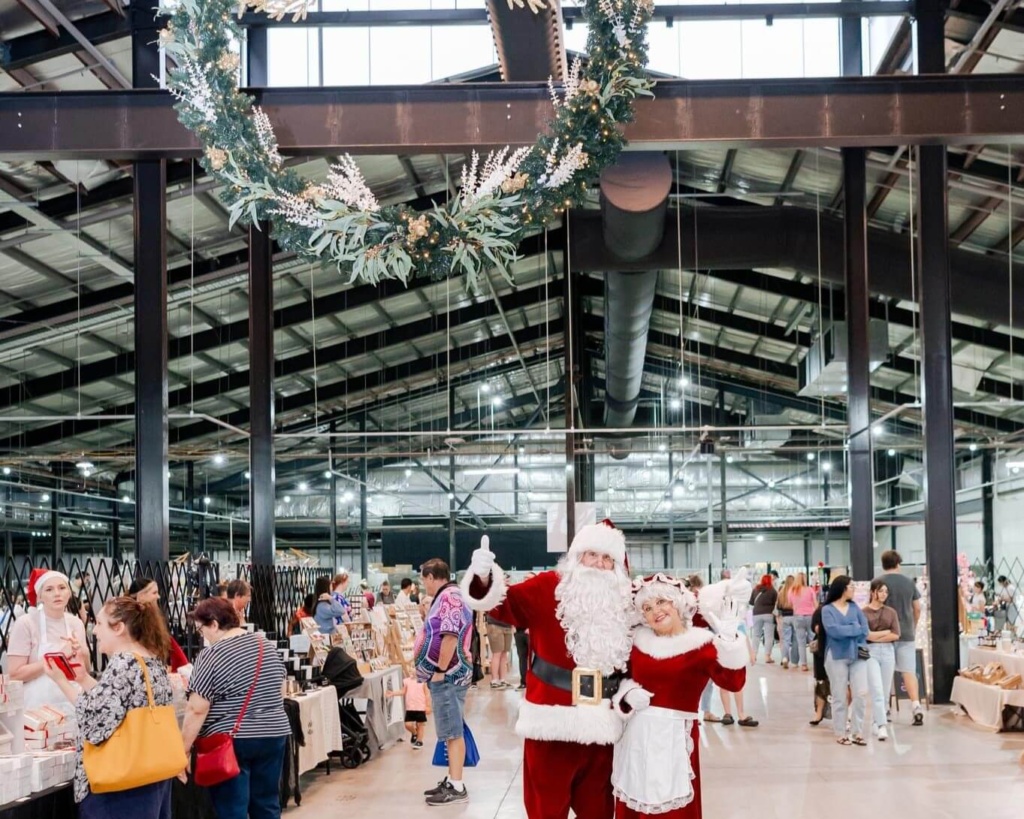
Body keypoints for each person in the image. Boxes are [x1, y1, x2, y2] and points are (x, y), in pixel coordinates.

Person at [458, 521, 638, 819]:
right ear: (576, 556)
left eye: (608, 558)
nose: (600, 564)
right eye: (592, 554)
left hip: (604, 729)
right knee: (546, 810)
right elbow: (504, 605)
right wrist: (483, 576)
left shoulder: (623, 600)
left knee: (600, 810)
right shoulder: (547, 587)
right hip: (550, 725)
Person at [611, 574, 748, 818]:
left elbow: (733, 682)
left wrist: (729, 641)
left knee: (673, 808)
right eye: (648, 607)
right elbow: (618, 680)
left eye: (662, 602)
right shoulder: (637, 642)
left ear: (677, 602)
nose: (656, 611)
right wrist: (627, 693)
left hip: (674, 740)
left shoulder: (701, 644)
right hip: (635, 737)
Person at [44, 596, 181, 817]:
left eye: (99, 624)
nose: (95, 632)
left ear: (118, 628)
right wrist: (82, 679)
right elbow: (117, 702)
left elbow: (95, 721)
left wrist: (61, 681)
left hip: (120, 785)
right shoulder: (150, 659)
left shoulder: (124, 662)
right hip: (150, 775)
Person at [182, 597, 291, 819]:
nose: (202, 635)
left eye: (201, 629)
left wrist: (183, 749)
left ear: (213, 624)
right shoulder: (265, 646)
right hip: (274, 733)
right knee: (267, 803)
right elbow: (280, 689)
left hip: (232, 740)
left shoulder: (212, 655)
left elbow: (197, 709)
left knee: (232, 808)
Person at [415, 559, 473, 806]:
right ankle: (452, 778)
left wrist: (439, 669)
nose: (422, 584)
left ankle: (457, 786)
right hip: (449, 673)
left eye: (422, 579)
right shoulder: (450, 595)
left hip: (449, 674)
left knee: (452, 731)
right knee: (450, 730)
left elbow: (449, 636)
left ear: (430, 577)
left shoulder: (450, 597)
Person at [6, 569, 90, 709]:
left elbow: (85, 672)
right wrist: (58, 656)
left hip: (72, 704)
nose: (57, 593)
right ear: (40, 596)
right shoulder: (26, 623)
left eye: (62, 588)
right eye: (49, 589)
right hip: (36, 708)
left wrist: (85, 654)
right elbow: (15, 674)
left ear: (69, 593)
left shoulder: (76, 623)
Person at [875, 550, 924, 726]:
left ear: (883, 564)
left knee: (883, 673)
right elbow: (917, 608)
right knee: (909, 671)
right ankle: (916, 706)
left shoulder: (877, 583)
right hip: (906, 634)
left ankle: (885, 710)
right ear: (898, 563)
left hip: (884, 635)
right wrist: (913, 626)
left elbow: (872, 607)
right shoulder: (909, 582)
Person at [822, 575, 870, 746]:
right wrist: (853, 628)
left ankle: (858, 731)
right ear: (843, 588)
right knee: (839, 695)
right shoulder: (827, 610)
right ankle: (840, 732)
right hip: (836, 656)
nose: (854, 589)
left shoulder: (855, 607)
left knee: (861, 693)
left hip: (858, 655)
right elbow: (834, 632)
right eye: (851, 586)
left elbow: (864, 630)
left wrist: (849, 629)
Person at [128, 577, 192, 673]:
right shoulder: (135, 620)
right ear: (141, 595)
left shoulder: (152, 618)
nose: (158, 596)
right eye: (154, 593)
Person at [862, 579, 900, 741]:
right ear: (873, 592)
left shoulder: (891, 612)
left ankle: (876, 722)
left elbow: (896, 634)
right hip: (871, 653)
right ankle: (882, 725)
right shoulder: (863, 612)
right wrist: (883, 634)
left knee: (884, 692)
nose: (884, 594)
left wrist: (876, 636)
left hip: (888, 652)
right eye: (881, 591)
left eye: (886, 591)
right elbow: (865, 635)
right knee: (876, 689)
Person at [385, 672, 431, 748]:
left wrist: (428, 706)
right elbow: (403, 691)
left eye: (415, 668)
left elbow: (427, 694)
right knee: (408, 725)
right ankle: (414, 733)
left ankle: (419, 741)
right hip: (410, 707)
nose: (412, 670)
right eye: (411, 667)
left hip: (420, 707)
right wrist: (393, 693)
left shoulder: (423, 681)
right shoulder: (407, 681)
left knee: (420, 725)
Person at [789, 572, 816, 672]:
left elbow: (791, 604)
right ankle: (816, 661)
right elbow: (815, 603)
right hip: (810, 616)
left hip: (798, 617)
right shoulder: (810, 589)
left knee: (801, 642)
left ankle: (804, 664)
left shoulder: (792, 591)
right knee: (813, 639)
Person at [748, 575, 778, 663]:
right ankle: (767, 657)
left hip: (756, 614)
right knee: (769, 636)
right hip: (768, 614)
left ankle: (754, 655)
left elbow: (751, 602)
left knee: (756, 635)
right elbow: (775, 602)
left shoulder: (755, 589)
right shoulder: (772, 590)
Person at [808, 602, 829, 726]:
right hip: (822, 649)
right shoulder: (822, 610)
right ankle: (819, 712)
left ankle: (844, 716)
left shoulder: (849, 608)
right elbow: (815, 627)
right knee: (821, 682)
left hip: (840, 650)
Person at [486, 608, 514, 689]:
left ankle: (502, 679)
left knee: (505, 653)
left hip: (508, 625)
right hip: (495, 624)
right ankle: (494, 680)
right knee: (497, 652)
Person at [776, 575, 796, 669]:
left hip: (785, 617)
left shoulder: (781, 592)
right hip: (795, 616)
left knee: (785, 639)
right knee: (796, 639)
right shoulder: (796, 591)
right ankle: (795, 660)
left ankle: (784, 658)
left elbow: (778, 607)